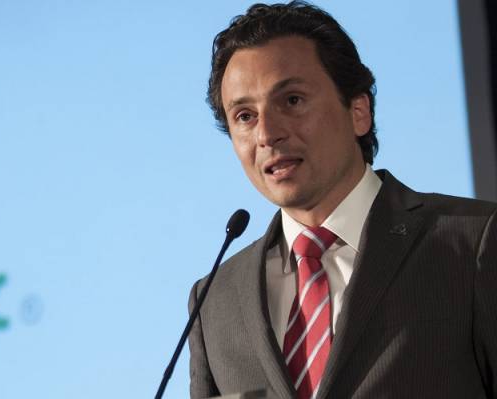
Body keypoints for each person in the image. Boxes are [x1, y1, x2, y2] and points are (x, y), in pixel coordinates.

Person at [188, 2, 497, 398]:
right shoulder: (215, 300)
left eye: (293, 100)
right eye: (245, 116)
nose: (267, 133)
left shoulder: (474, 243)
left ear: (358, 111)